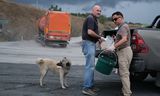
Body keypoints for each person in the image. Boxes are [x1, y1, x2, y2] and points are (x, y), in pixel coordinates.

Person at [81, 5, 105, 96]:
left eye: (100, 11)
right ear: (93, 10)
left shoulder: (94, 19)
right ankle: (86, 88)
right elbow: (90, 32)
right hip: (88, 43)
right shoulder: (91, 18)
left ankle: (90, 86)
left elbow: (92, 32)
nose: (99, 12)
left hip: (90, 43)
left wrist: (98, 39)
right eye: (97, 10)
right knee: (89, 67)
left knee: (91, 66)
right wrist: (99, 37)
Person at [108, 11, 133, 96]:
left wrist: (113, 47)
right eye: (113, 20)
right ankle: (125, 91)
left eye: (115, 19)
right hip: (124, 51)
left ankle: (127, 93)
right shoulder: (121, 27)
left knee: (124, 74)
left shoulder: (123, 26)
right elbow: (122, 38)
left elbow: (124, 39)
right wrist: (116, 39)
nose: (114, 21)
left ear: (121, 18)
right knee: (123, 73)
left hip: (124, 51)